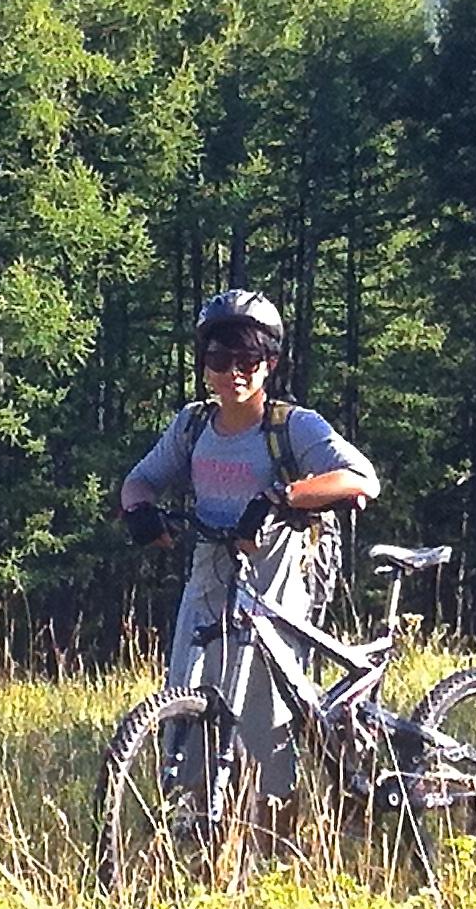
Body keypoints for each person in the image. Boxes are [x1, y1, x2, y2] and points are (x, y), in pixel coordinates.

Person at [118, 288, 379, 826]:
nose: (232, 372)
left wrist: (282, 498)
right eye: (218, 359)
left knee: (267, 733)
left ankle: (271, 858)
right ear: (203, 363)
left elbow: (361, 479)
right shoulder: (192, 426)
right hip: (208, 591)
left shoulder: (292, 426)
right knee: (185, 727)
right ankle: (200, 853)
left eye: (247, 360)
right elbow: (140, 480)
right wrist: (140, 510)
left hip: (274, 595)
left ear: (270, 363)